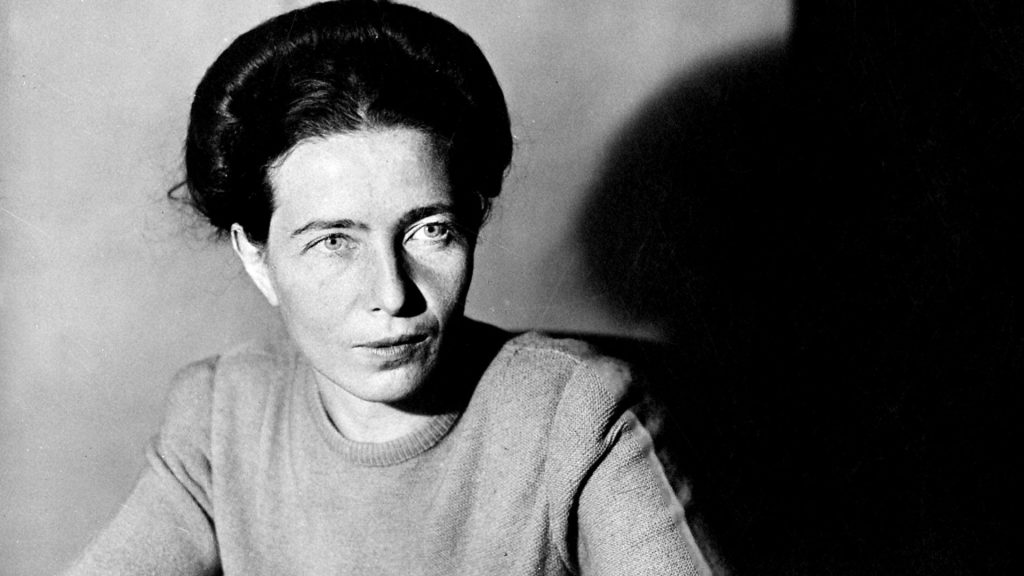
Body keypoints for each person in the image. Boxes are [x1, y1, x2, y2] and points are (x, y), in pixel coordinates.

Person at [63, 1, 710, 574]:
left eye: (430, 231)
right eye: (333, 242)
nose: (393, 294)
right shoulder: (219, 415)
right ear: (256, 258)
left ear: (473, 222)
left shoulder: (580, 415)